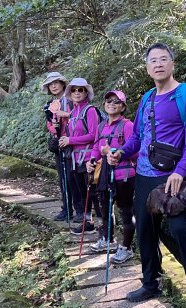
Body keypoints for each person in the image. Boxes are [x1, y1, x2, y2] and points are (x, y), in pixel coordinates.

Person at [107, 43, 186, 308]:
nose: (158, 64)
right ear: (147, 67)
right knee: (145, 230)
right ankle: (150, 282)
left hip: (172, 177)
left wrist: (180, 171)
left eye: (163, 59)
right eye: (153, 60)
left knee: (179, 229)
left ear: (172, 64)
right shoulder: (147, 99)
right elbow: (138, 138)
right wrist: (120, 153)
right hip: (143, 175)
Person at [86, 90, 136, 264]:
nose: (112, 104)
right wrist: (91, 161)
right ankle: (107, 239)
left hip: (124, 175)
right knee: (105, 209)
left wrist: (112, 152)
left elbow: (135, 151)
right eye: (108, 100)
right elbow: (96, 147)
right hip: (105, 174)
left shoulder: (128, 126)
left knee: (125, 211)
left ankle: (126, 248)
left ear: (123, 106)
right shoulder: (101, 126)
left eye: (116, 101)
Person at [58, 78, 101, 233]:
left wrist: (70, 140)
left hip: (89, 158)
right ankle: (87, 223)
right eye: (74, 90)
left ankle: (103, 227)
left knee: (94, 194)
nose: (77, 92)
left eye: (80, 90)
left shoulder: (90, 110)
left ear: (86, 92)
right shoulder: (74, 112)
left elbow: (93, 135)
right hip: (76, 159)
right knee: (83, 193)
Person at [41, 72, 74, 222]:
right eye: (50, 84)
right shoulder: (49, 106)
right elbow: (49, 124)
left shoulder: (72, 101)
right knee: (62, 178)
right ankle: (66, 209)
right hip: (59, 144)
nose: (53, 86)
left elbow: (77, 118)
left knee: (73, 178)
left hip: (73, 143)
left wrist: (65, 115)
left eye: (56, 83)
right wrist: (55, 128)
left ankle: (81, 211)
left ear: (62, 84)